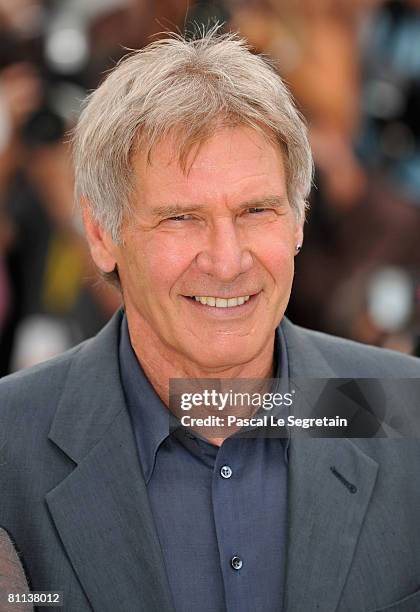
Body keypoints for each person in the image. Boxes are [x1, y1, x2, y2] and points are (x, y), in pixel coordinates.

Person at [1, 28, 420, 612]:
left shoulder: (405, 413)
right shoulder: (8, 446)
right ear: (101, 235)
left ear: (298, 221)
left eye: (256, 211)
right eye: (180, 218)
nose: (227, 261)